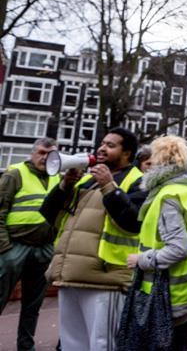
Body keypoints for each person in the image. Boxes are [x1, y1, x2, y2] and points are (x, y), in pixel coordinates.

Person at [40, 127, 145, 350]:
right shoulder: (86, 181)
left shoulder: (138, 182)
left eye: (110, 145)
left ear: (127, 153)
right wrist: (65, 185)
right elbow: (49, 214)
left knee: (102, 344)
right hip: (71, 273)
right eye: (102, 143)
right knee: (71, 344)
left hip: (105, 278)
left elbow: (133, 222)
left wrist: (109, 186)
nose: (102, 148)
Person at [125, 135, 187, 351]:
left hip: (166, 294)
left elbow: (178, 248)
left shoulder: (169, 195)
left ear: (161, 160)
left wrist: (141, 260)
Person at [0, 138, 60, 351]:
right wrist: (5, 249)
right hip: (15, 246)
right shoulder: (15, 174)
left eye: (50, 154)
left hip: (44, 248)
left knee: (33, 305)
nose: (45, 158)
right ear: (32, 153)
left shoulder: (58, 177)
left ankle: (26, 346)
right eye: (41, 152)